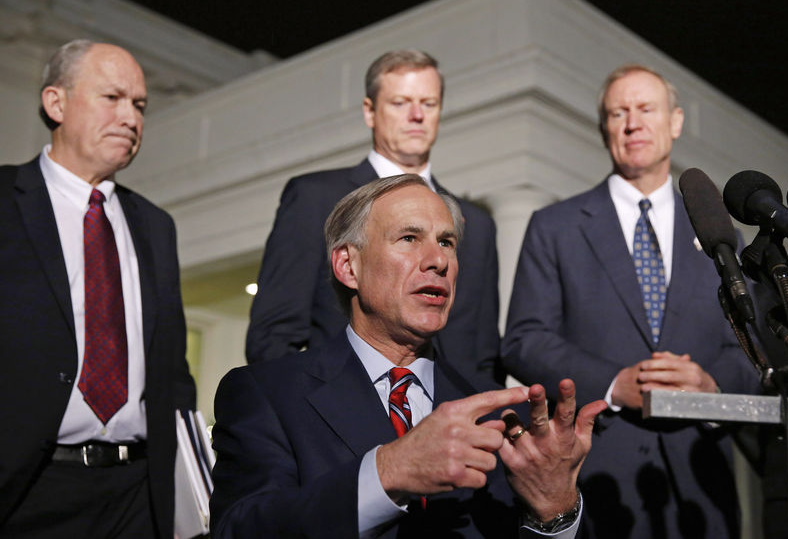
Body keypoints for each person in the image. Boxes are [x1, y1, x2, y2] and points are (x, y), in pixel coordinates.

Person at [211, 174, 607, 538]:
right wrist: (387, 471)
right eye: (409, 238)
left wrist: (554, 511)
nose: (438, 260)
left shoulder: (501, 418)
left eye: (447, 242)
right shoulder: (267, 394)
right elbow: (239, 531)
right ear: (349, 265)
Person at [502, 64, 760, 538]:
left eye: (645, 109)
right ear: (604, 128)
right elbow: (524, 339)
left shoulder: (723, 236)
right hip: (594, 476)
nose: (632, 122)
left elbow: (751, 353)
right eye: (618, 112)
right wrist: (612, 384)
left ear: (675, 122)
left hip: (701, 483)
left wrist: (710, 384)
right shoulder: (554, 226)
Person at [0, 40, 196, 538]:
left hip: (136, 495)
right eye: (112, 98)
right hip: (26, 488)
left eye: (140, 105)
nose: (131, 117)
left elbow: (172, 373)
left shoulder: (155, 225)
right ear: (56, 103)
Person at [246, 49, 501, 383]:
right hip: (342, 420)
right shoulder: (316, 198)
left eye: (429, 103)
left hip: (453, 420)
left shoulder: (477, 225)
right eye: (400, 102)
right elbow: (273, 338)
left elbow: (483, 356)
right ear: (370, 111)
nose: (416, 115)